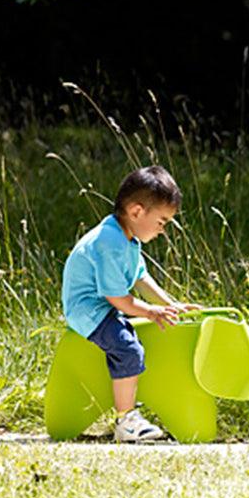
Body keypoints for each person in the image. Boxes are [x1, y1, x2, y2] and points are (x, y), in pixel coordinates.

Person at [61, 165, 199, 441]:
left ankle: (130, 414)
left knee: (134, 338)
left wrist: (170, 304)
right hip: (89, 309)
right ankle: (126, 421)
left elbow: (141, 278)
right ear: (137, 212)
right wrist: (150, 311)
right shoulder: (110, 241)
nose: (163, 230)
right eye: (161, 222)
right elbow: (117, 297)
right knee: (127, 348)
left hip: (104, 305)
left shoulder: (128, 240)